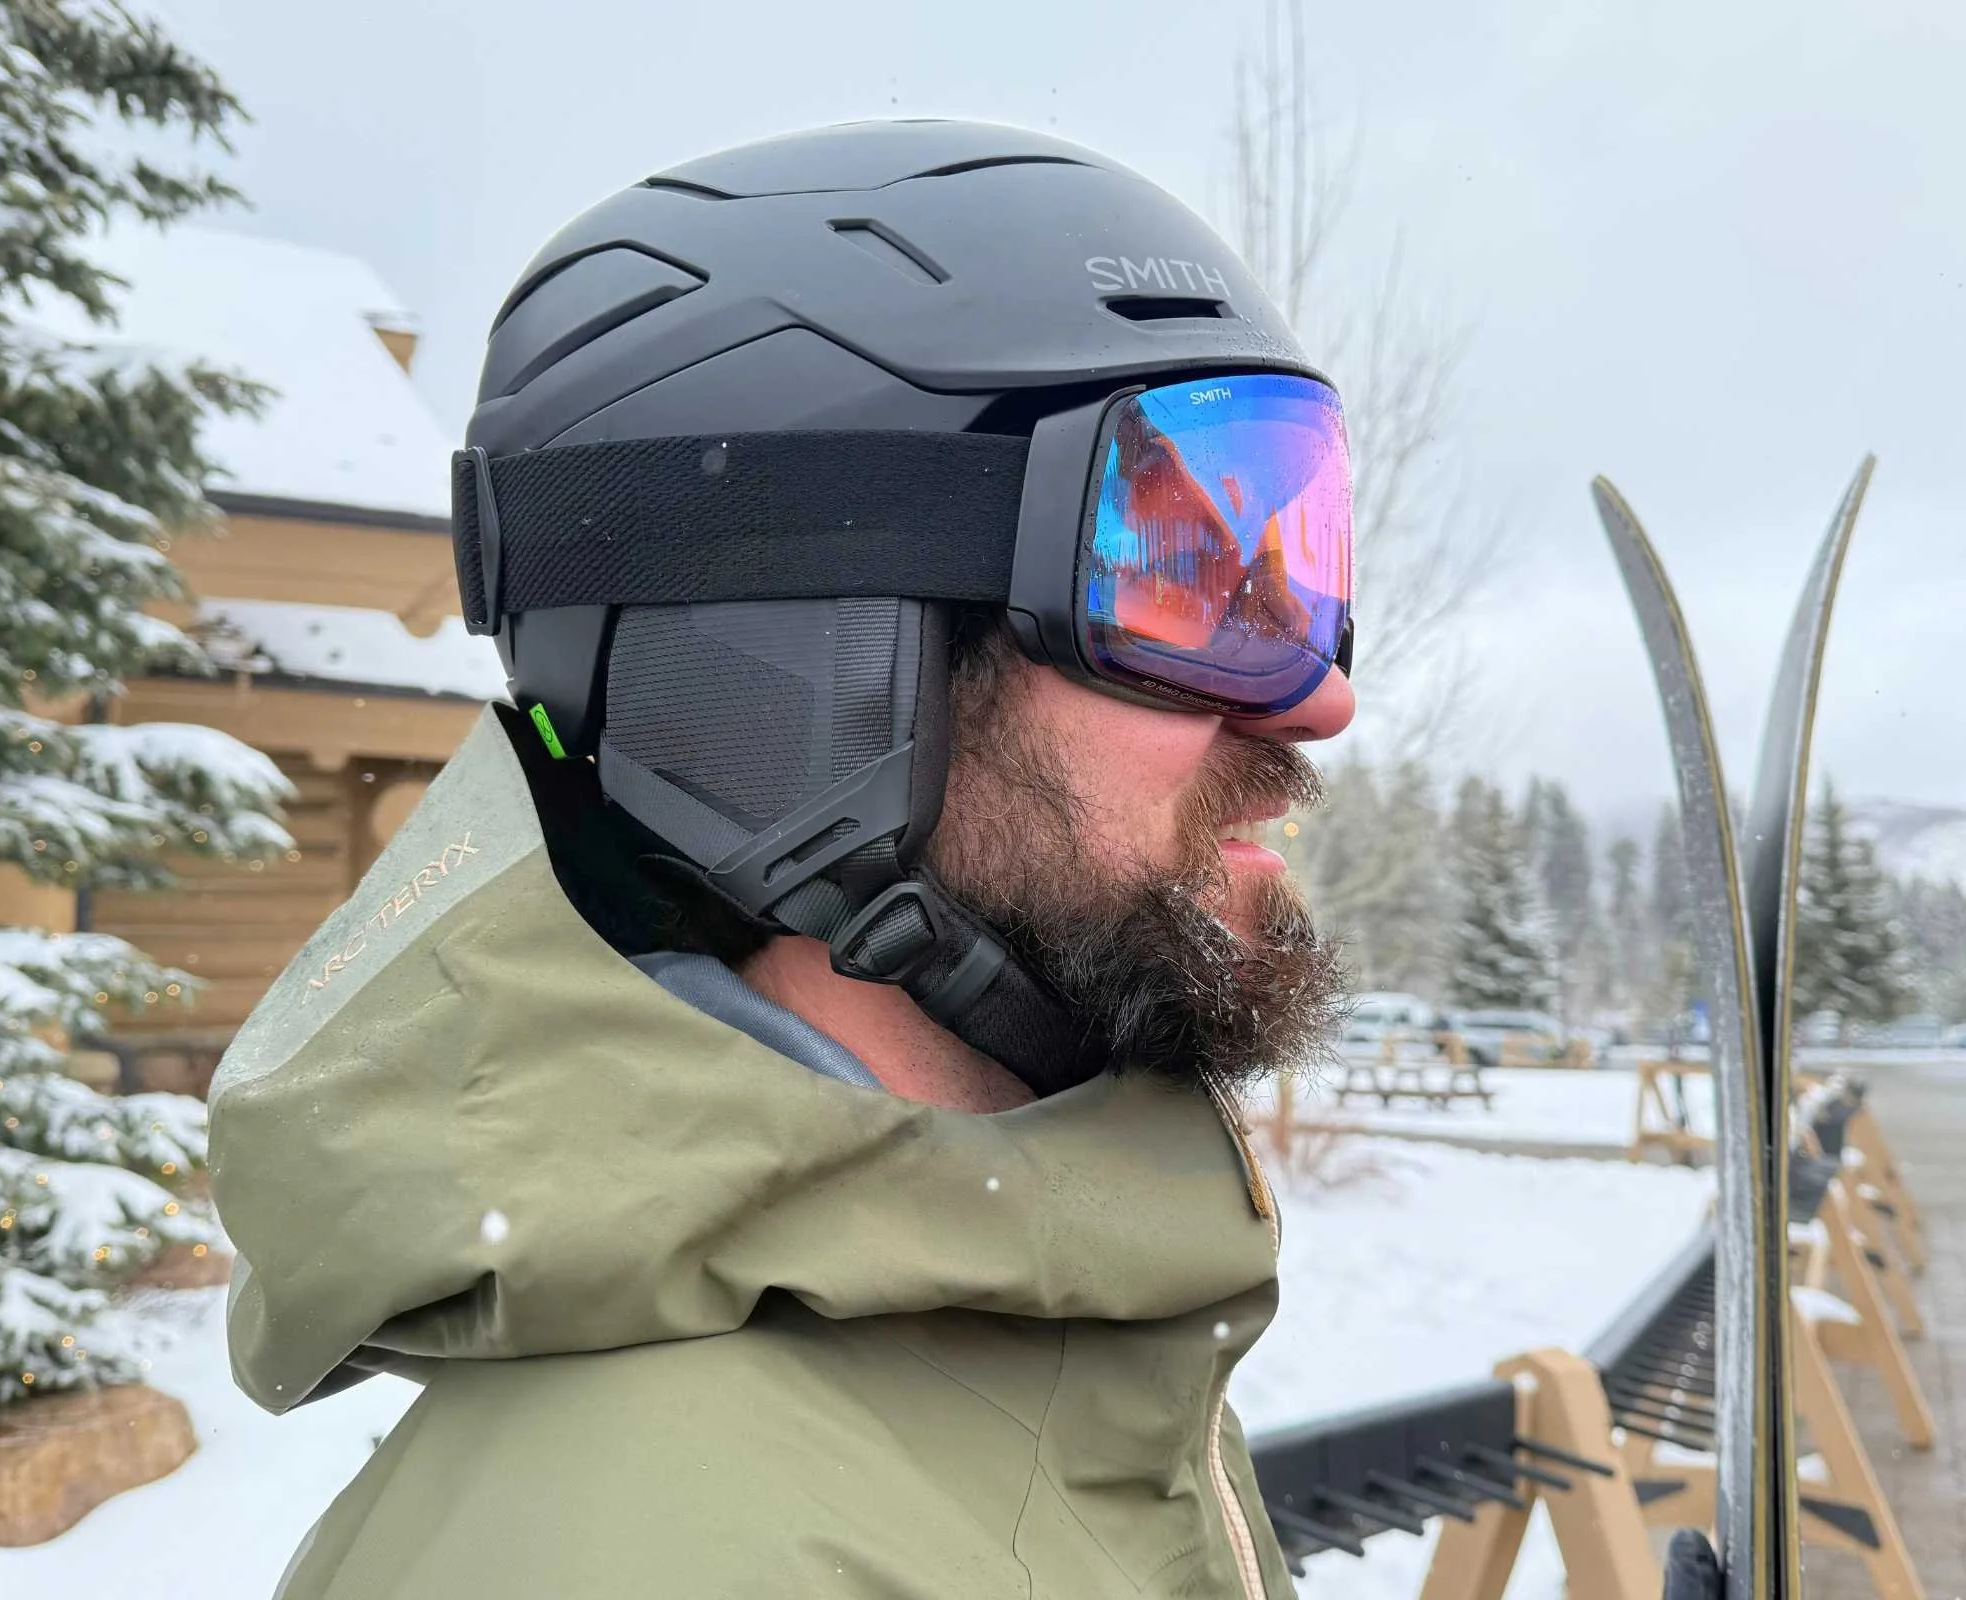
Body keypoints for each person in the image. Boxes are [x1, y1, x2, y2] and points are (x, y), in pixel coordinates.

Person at [208, 120, 1357, 1599]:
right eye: (1181, 581)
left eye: (1288, 574)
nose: (1313, 700)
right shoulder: (645, 1558)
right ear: (811, 687)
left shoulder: (1013, 1321)